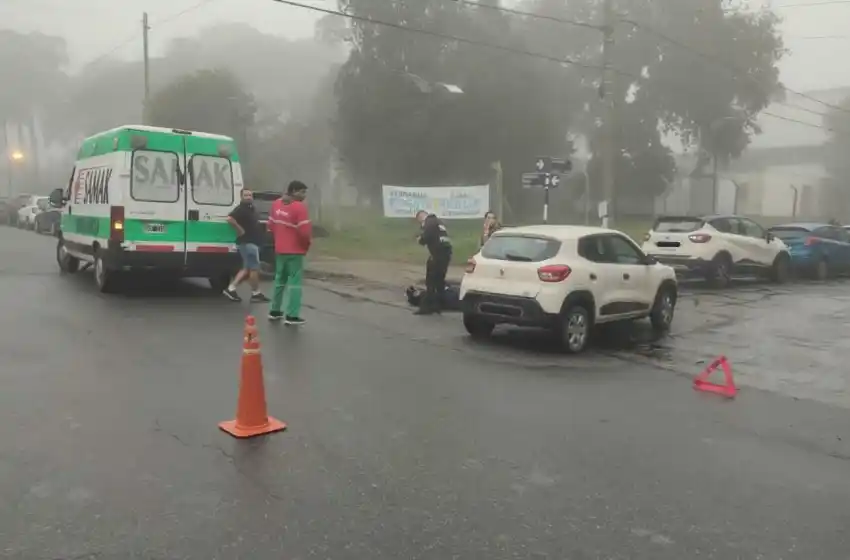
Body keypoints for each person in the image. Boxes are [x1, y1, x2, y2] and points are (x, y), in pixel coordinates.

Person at [267, 181, 312, 324]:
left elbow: (270, 226)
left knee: (279, 280)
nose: (304, 195)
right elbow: (304, 233)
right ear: (293, 191)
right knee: (294, 284)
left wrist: (279, 240)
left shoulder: (277, 204)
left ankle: (275, 311)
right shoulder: (300, 207)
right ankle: (292, 315)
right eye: (302, 192)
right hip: (294, 251)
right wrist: (305, 247)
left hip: (280, 250)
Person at [223, 189, 269, 303]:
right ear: (241, 197)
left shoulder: (250, 208)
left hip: (253, 242)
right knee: (254, 268)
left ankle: (231, 288)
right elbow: (229, 218)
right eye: (245, 195)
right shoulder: (241, 209)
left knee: (247, 268)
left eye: (250, 195)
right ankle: (255, 293)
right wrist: (240, 229)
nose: (248, 197)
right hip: (247, 243)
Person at [415, 209, 453, 315]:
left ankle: (426, 308)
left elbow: (427, 236)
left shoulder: (429, 221)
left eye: (420, 222)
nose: (421, 225)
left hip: (437, 255)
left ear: (421, 216)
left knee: (430, 282)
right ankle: (437, 306)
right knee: (439, 282)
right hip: (446, 254)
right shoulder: (439, 222)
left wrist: (420, 240)